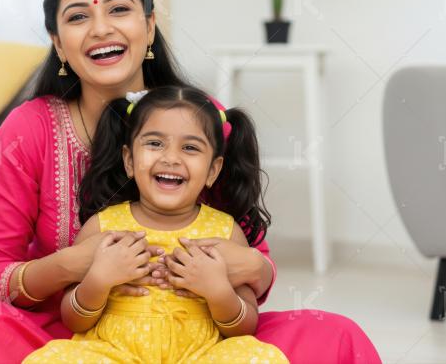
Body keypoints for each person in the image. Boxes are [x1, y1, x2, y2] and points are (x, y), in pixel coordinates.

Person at [0, 0, 380, 364]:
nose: (101, 29)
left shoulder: (204, 117)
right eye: (79, 17)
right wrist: (80, 267)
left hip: (201, 340)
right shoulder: (28, 129)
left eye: (119, 10)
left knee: (335, 335)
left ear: (148, 24)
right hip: (70, 340)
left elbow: (255, 267)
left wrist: (246, 270)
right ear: (59, 43)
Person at [23, 86, 288, 363]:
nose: (170, 158)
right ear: (129, 160)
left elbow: (246, 329)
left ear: (213, 170)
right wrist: (98, 281)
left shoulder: (225, 232)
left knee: (258, 357)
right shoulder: (103, 226)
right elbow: (74, 322)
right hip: (113, 353)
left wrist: (218, 291)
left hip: (200, 355)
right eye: (154, 143)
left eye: (190, 147)